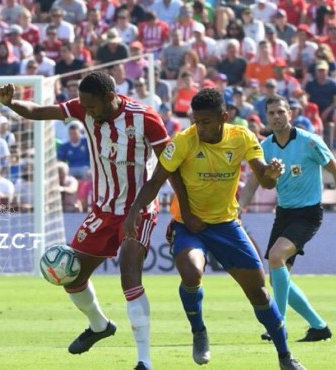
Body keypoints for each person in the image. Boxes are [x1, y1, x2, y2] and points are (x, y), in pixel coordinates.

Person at [0, 71, 170, 370]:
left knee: (129, 276)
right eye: (84, 107)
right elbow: (40, 111)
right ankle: (100, 325)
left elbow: (166, 166)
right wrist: (12, 104)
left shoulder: (146, 118)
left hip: (138, 210)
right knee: (72, 276)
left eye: (91, 107)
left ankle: (144, 360)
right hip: (102, 210)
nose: (86, 111)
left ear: (109, 97)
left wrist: (139, 208)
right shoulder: (84, 107)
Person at [123, 89, 306, 370]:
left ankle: (285, 356)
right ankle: (199, 331)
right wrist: (134, 211)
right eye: (196, 120)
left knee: (258, 291)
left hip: (227, 225)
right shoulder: (184, 140)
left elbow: (266, 182)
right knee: (191, 271)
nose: (200, 127)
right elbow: (156, 180)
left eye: (206, 121)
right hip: (189, 225)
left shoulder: (242, 137)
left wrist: (271, 174)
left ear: (224, 117)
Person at [239, 95, 336, 343]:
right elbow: (252, 183)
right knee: (278, 277)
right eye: (271, 113)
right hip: (284, 214)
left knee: (276, 257)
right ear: (266, 117)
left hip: (308, 214)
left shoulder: (309, 141)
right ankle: (319, 326)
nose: (276, 117)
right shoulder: (266, 147)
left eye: (281, 112)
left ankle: (277, 324)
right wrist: (239, 209)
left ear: (290, 113)